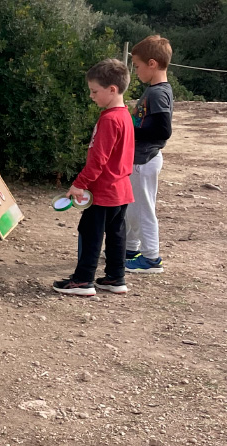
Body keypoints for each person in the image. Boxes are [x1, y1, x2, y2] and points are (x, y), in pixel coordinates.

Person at [53, 59, 135, 297]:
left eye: (94, 91)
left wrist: (79, 184)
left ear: (112, 89)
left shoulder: (109, 119)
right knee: (117, 234)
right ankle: (115, 277)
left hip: (103, 192)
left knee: (90, 232)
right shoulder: (125, 116)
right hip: (121, 190)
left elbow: (98, 159)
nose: (91, 95)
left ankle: (82, 280)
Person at [125, 36, 174, 274]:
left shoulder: (157, 93)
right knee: (133, 207)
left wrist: (128, 128)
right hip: (140, 160)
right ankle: (130, 249)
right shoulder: (155, 90)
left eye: (137, 66)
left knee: (144, 209)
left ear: (152, 63)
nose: (136, 71)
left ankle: (151, 258)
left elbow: (163, 130)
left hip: (144, 160)